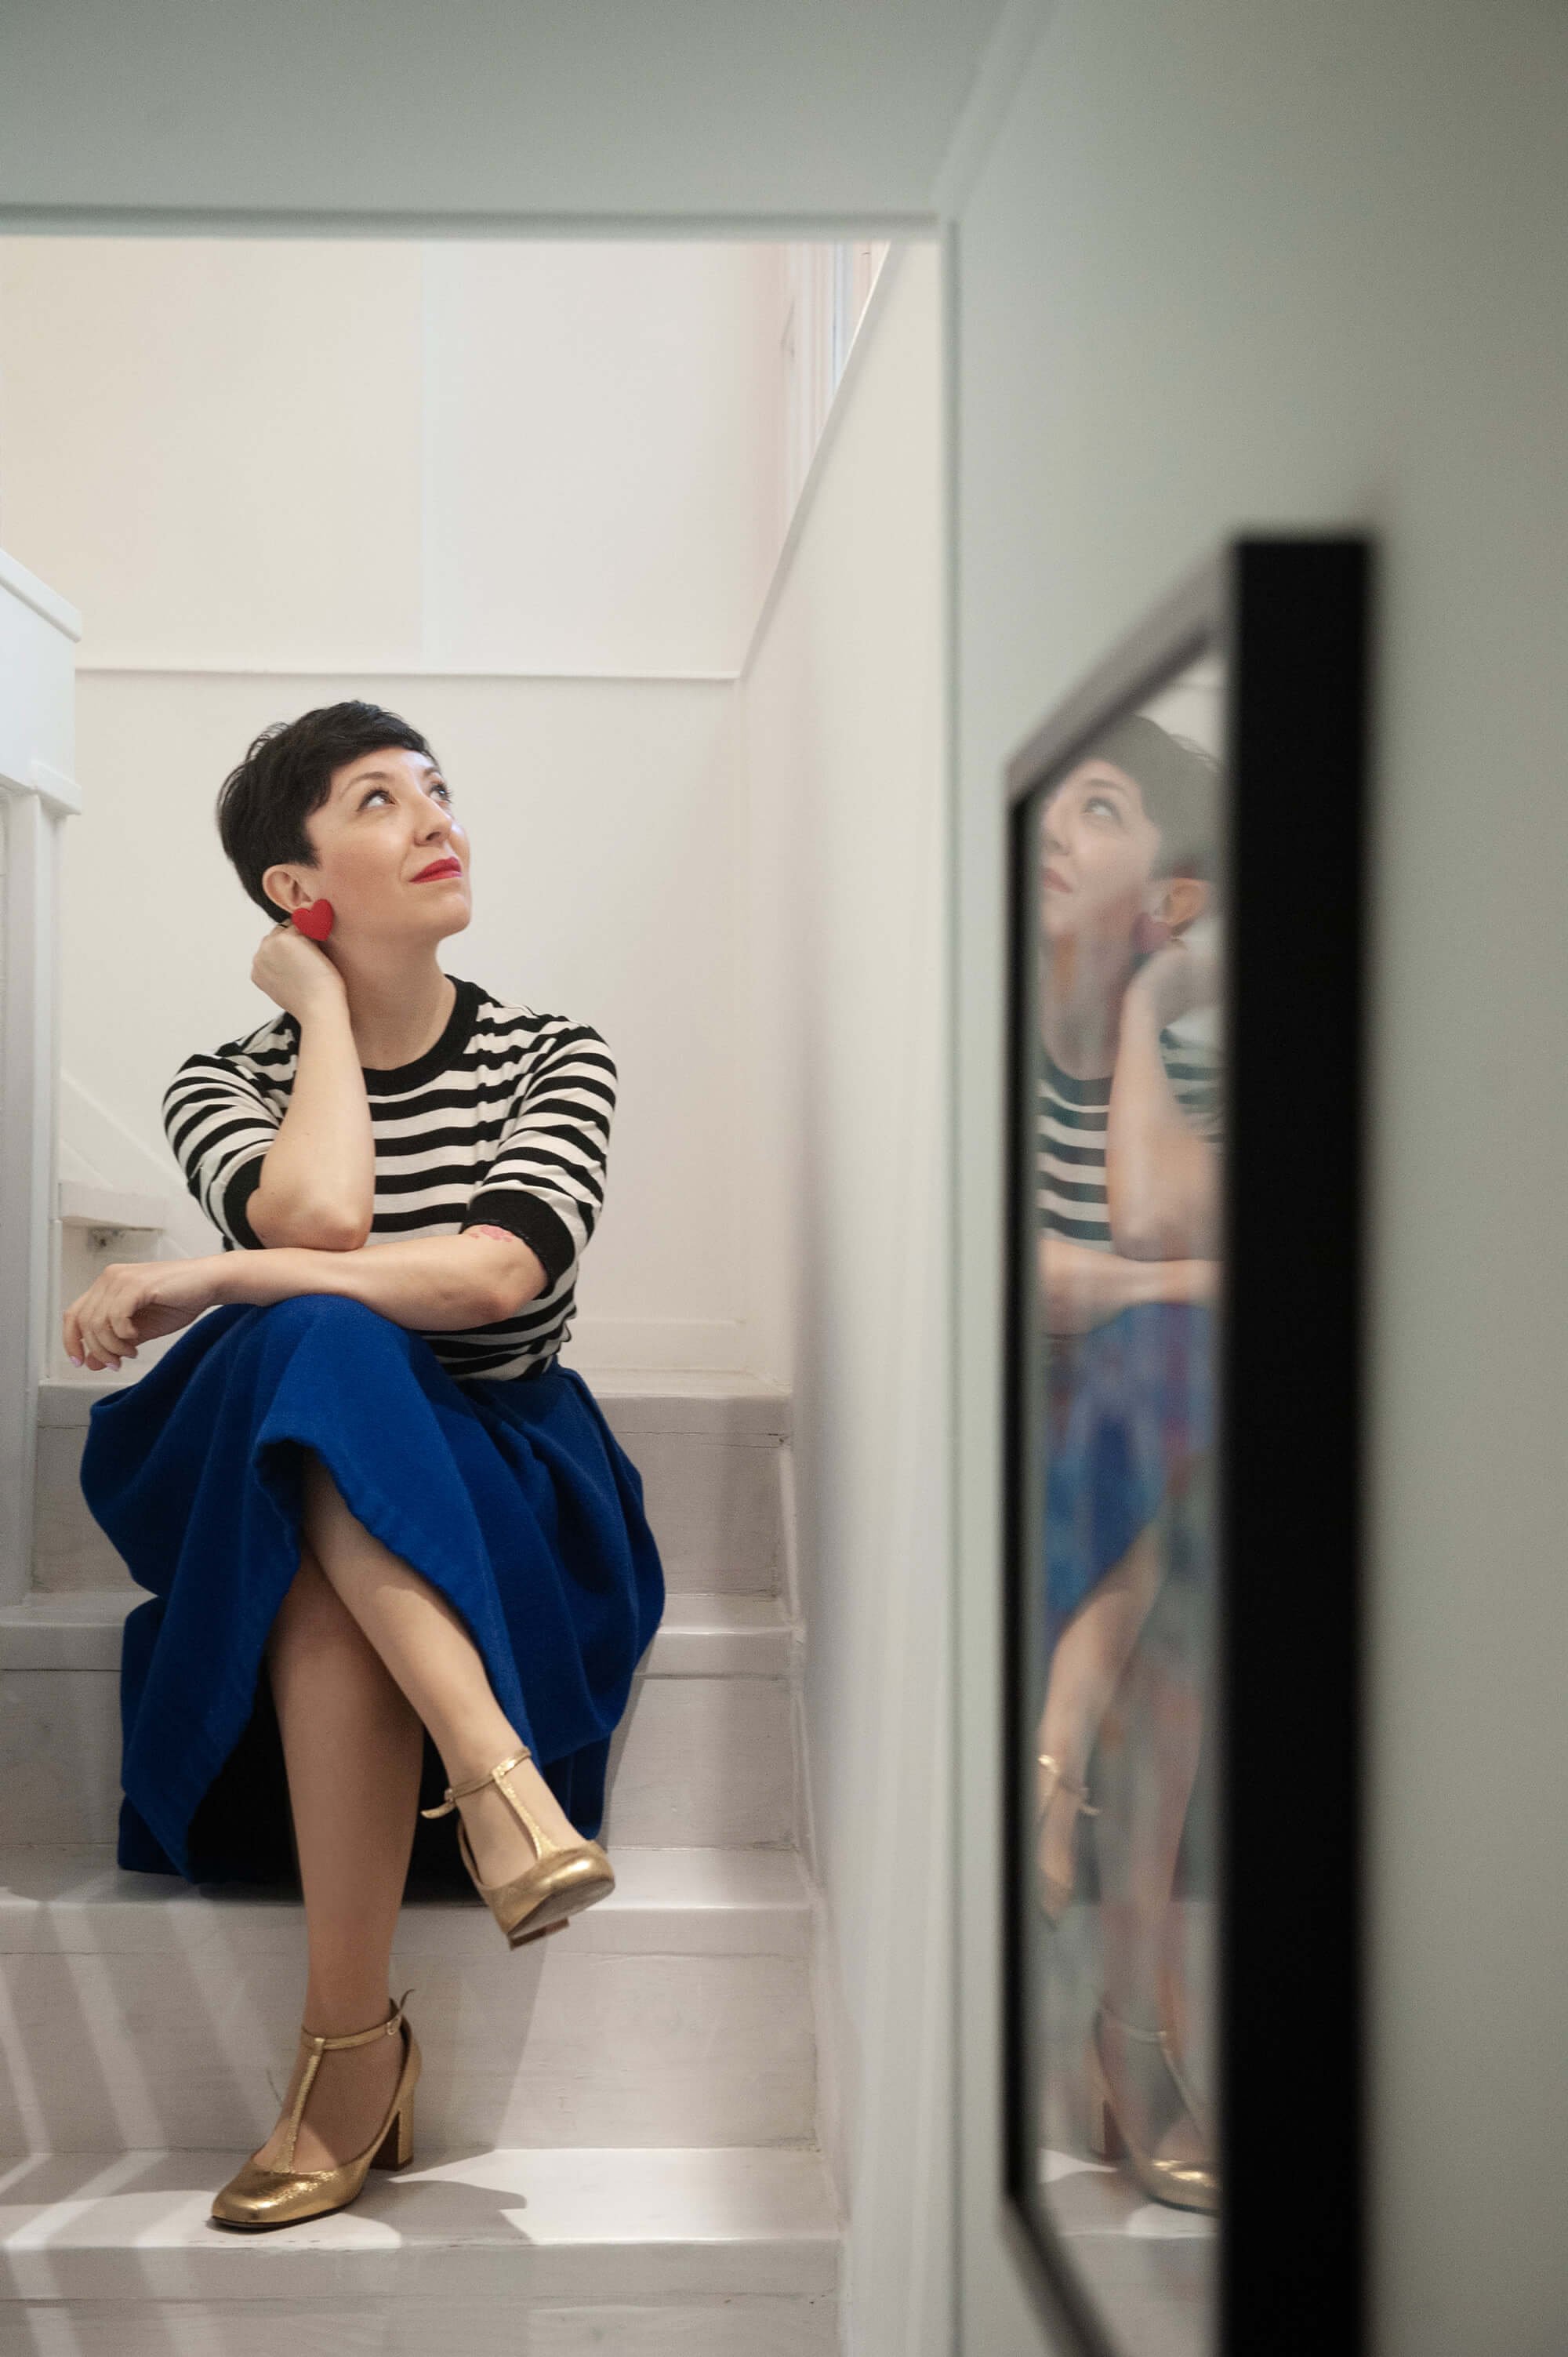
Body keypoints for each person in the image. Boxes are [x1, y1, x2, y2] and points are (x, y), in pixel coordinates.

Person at [68, 701, 666, 2232]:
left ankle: (348, 2059)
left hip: (505, 1492)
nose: (434, 817)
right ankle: (493, 1777)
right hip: (296, 1472)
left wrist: (206, 1280)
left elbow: (488, 1285)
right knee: (317, 1353)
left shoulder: (554, 1054)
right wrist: (325, 1021)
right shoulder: (224, 1080)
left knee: (302, 1355)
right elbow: (322, 1226)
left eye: (439, 790)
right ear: (295, 885)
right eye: (379, 798)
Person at [1030, 710, 1222, 2214]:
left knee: (1172, 1373)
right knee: (1175, 1387)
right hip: (1023, 1473)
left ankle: (1055, 1753)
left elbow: (1153, 1234)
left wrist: (1153, 1002)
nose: (1052, 825)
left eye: (1100, 807)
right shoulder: (980, 1054)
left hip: (1144, 1457)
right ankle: (1135, 2033)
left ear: (1174, 891)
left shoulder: (1201, 1082)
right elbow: (1024, 1289)